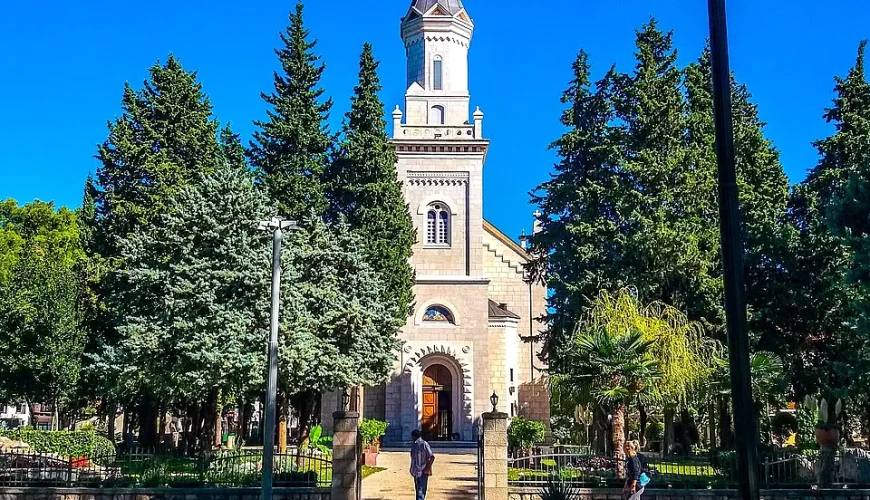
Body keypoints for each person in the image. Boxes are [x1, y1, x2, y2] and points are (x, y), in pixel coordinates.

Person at [409, 430, 435, 500]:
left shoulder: (424, 444)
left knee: (421, 491)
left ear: (414, 436)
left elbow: (432, 457)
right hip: (415, 471)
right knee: (418, 490)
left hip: (423, 471)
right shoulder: (414, 445)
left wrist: (427, 468)